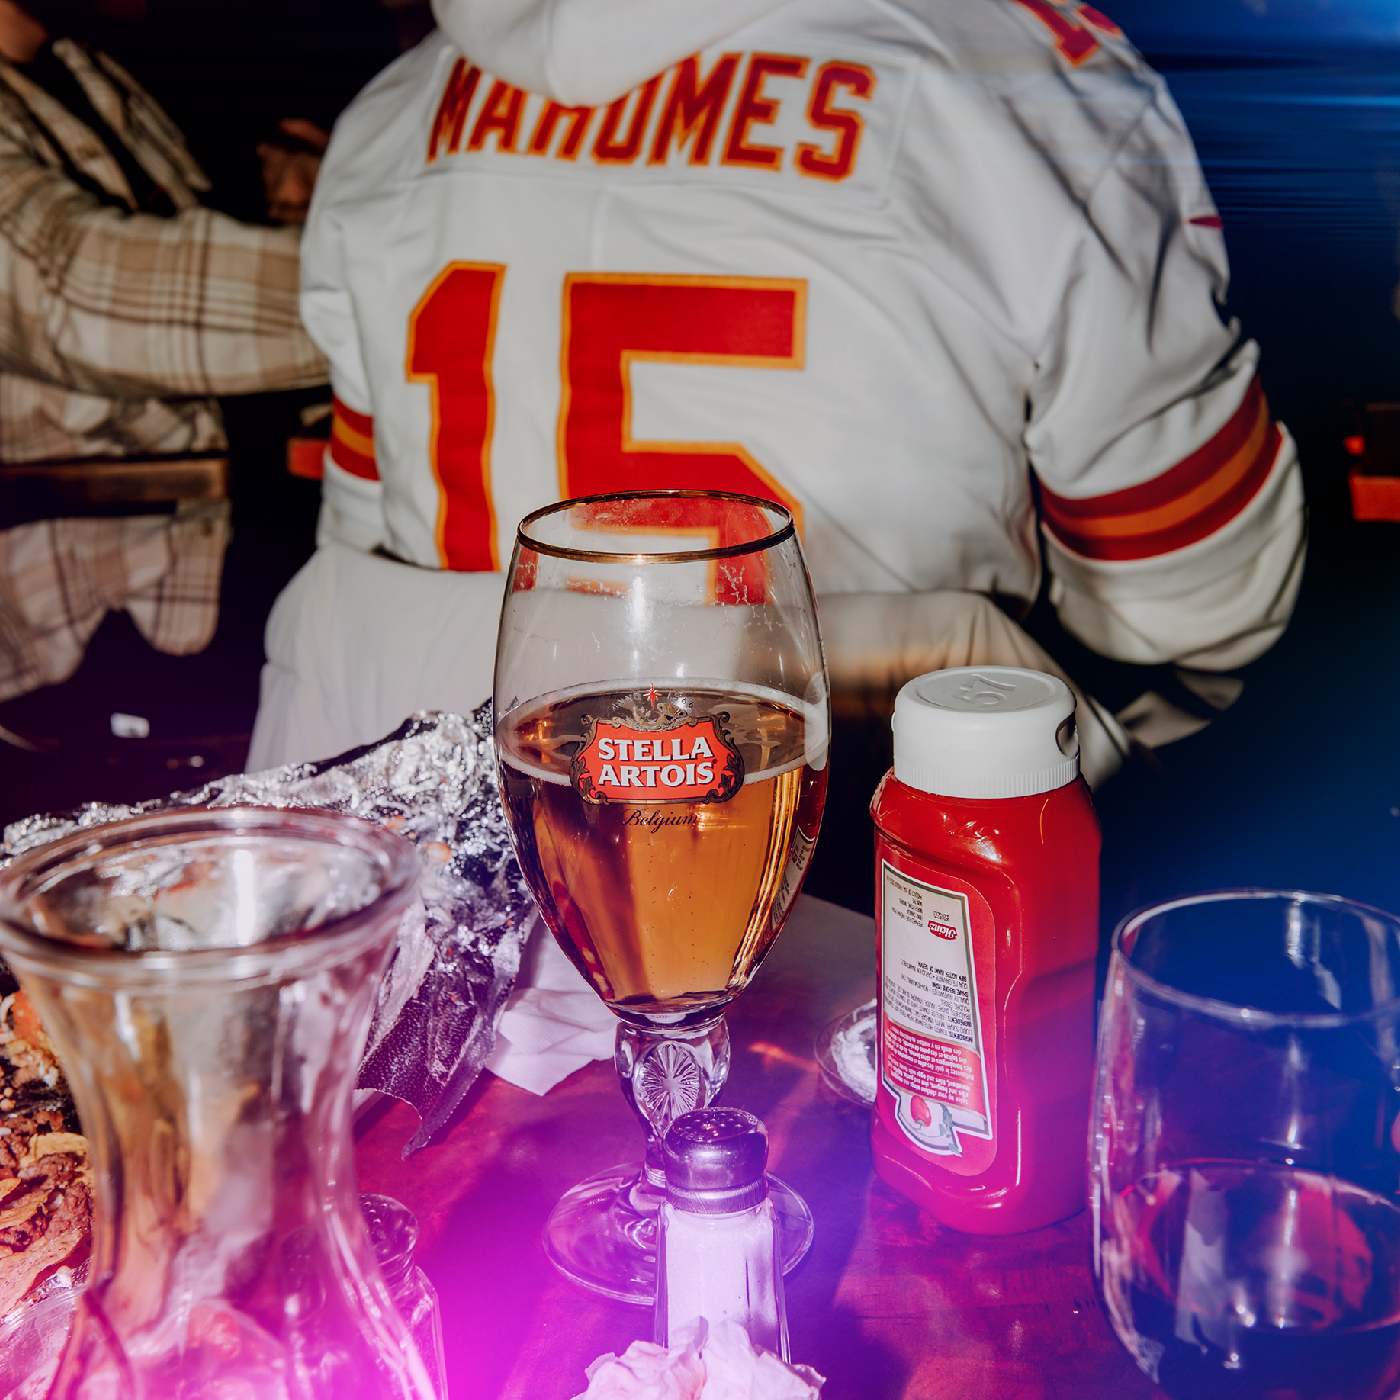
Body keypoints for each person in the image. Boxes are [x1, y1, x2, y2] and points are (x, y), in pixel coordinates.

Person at [249, 0, 1304, 797]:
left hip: (470, 854)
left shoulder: (387, 113)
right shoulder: (1018, 79)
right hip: (879, 876)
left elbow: (366, 561)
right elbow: (1195, 608)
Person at [0, 0, 327, 706]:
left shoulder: (81, 66)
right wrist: (406, 280)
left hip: (226, 536)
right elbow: (84, 298)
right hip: (95, 618)